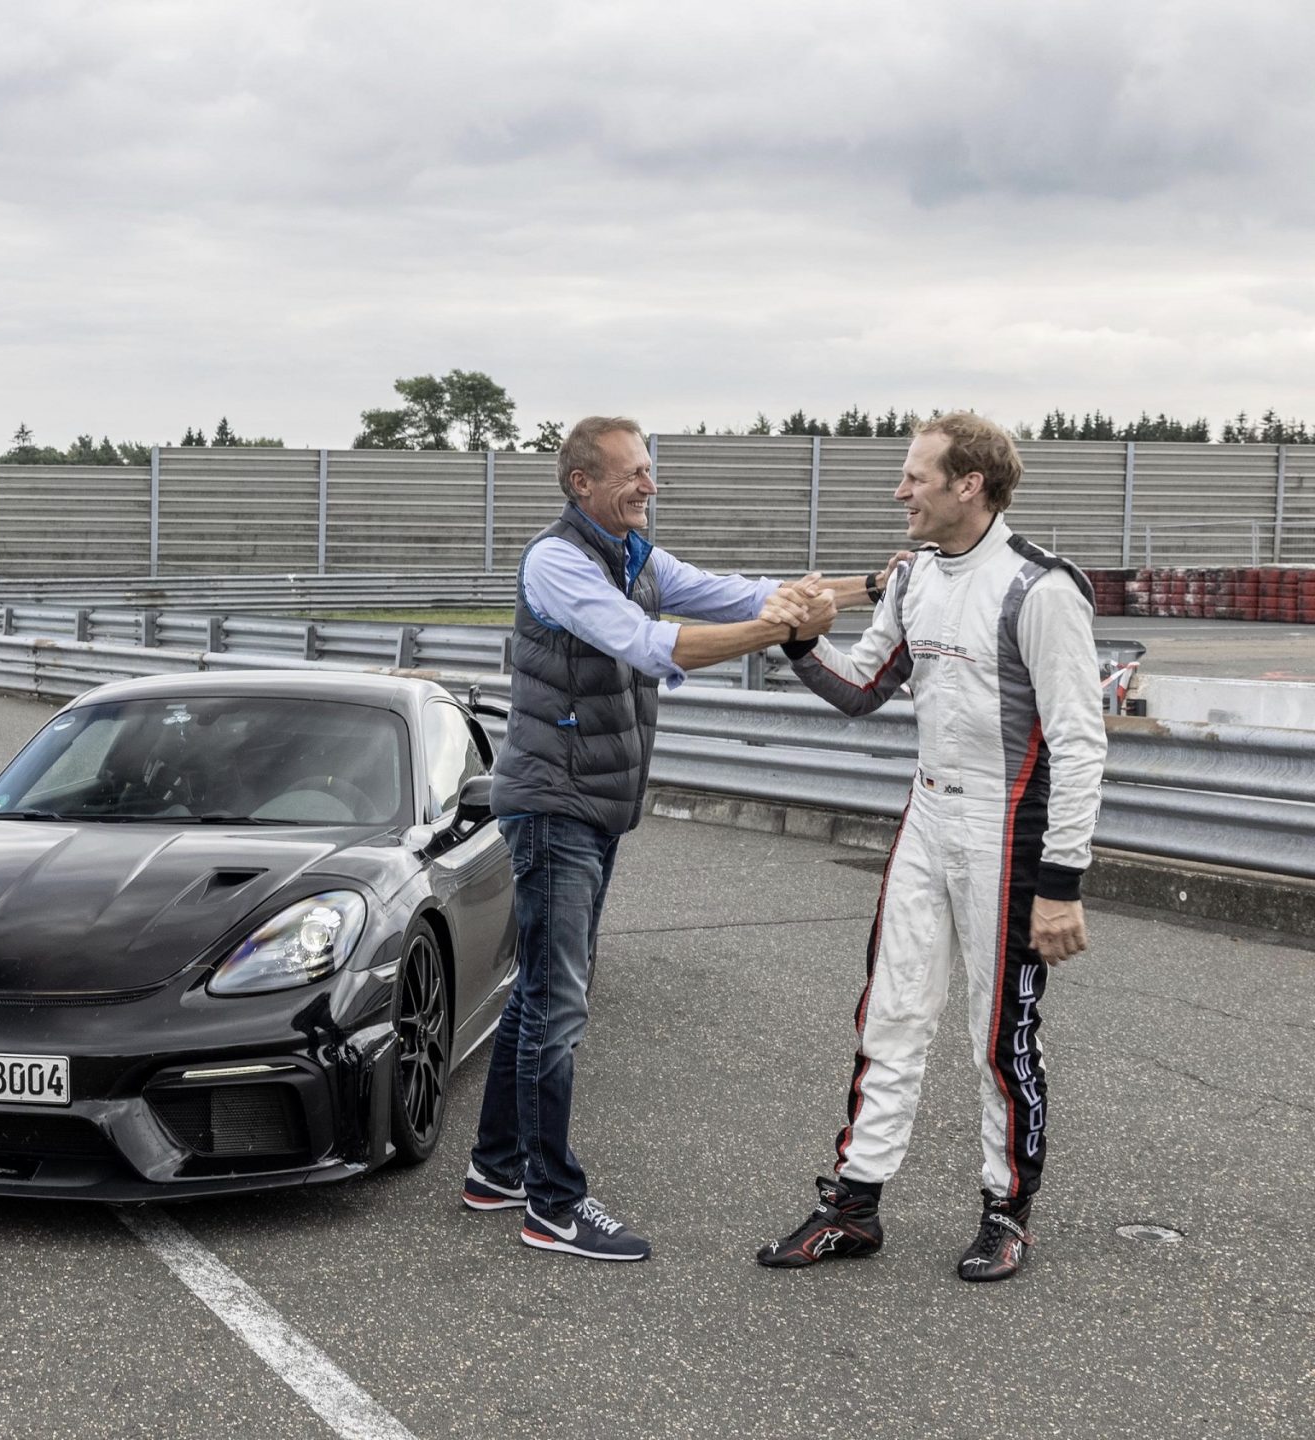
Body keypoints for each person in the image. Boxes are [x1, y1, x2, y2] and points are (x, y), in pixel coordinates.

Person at [464, 416, 879, 1262]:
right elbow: (651, 647)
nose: (649, 486)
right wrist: (781, 632)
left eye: (649, 471)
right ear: (582, 483)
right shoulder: (558, 562)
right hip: (555, 806)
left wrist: (868, 584)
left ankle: (496, 1167)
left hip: (590, 801)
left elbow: (734, 592)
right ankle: (552, 1204)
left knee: (540, 990)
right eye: (632, 475)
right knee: (558, 1003)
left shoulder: (634, 555)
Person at [754, 412, 1103, 1283]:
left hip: (1010, 831)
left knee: (1000, 1035)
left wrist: (1061, 883)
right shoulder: (913, 578)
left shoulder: (1042, 589)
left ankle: (1006, 1211)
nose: (898, 491)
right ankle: (855, 1205)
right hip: (926, 815)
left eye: (914, 477)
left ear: (968, 485)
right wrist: (802, 641)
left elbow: (1081, 743)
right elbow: (863, 689)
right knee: (891, 1013)